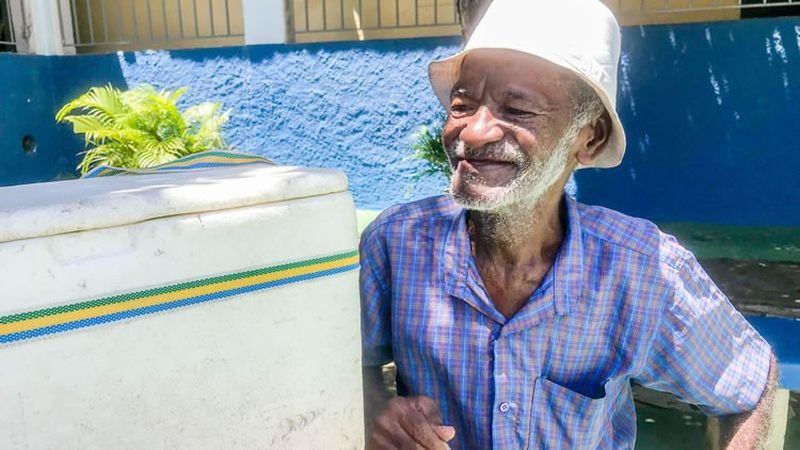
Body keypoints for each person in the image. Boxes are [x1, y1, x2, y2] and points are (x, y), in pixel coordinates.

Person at [359, 0, 777, 448]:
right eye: (462, 105)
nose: (473, 132)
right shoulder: (396, 244)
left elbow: (749, 383)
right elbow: (334, 364)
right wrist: (371, 409)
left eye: (517, 111)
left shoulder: (644, 270)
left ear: (590, 138)